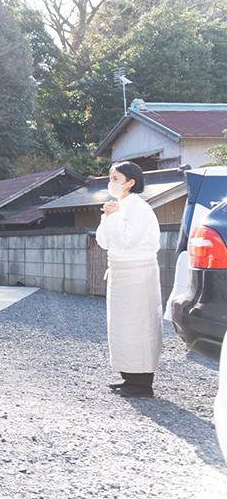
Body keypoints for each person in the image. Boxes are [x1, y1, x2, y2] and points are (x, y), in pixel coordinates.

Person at [95, 160, 162, 398]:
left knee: (139, 326)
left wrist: (113, 216)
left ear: (130, 182)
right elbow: (104, 242)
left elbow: (127, 241)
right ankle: (129, 377)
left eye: (116, 179)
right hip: (120, 273)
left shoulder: (140, 207)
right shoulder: (120, 206)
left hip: (138, 274)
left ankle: (142, 383)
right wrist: (107, 217)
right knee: (121, 328)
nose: (111, 183)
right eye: (110, 179)